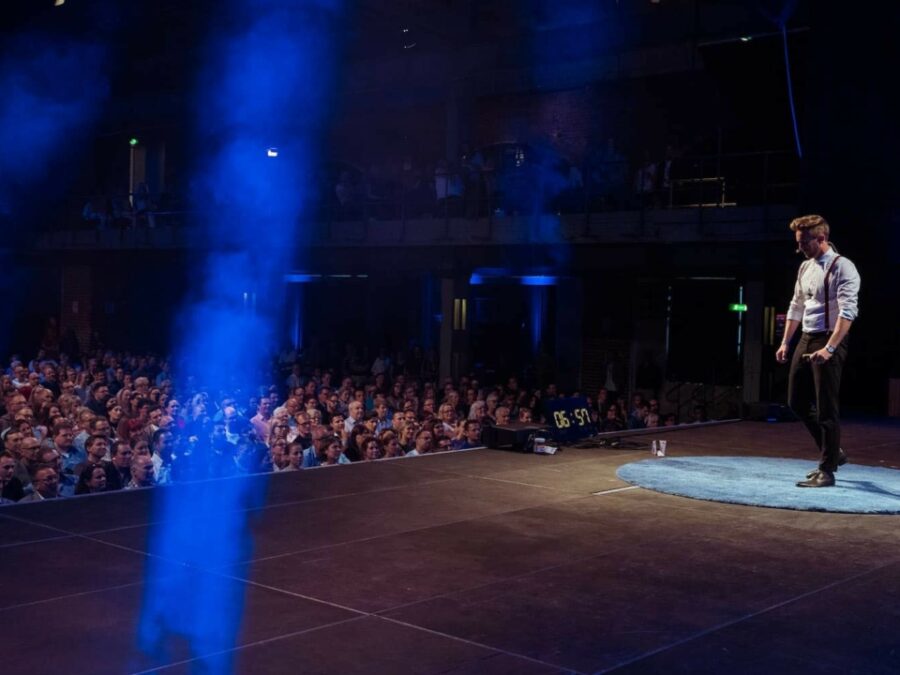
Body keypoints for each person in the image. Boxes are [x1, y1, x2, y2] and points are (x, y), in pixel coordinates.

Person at [776, 215, 860, 488]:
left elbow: (847, 313)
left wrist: (830, 348)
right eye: (798, 243)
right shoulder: (805, 267)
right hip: (807, 337)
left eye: (804, 243)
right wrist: (786, 342)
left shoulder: (842, 267)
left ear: (821, 238)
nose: (800, 248)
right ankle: (834, 452)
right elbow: (796, 306)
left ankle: (827, 469)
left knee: (826, 408)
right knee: (796, 401)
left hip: (830, 339)